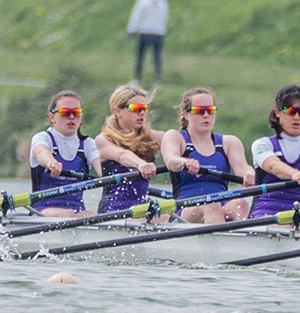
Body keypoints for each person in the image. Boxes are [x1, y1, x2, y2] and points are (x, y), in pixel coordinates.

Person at [161, 88, 255, 224]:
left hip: (222, 206)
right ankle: (220, 242)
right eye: (199, 111)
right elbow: (171, 160)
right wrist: (184, 162)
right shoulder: (176, 137)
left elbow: (243, 168)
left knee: (240, 203)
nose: (206, 115)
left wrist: (250, 175)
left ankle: (248, 241)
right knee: (211, 204)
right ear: (186, 114)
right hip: (184, 211)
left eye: (210, 110)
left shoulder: (229, 142)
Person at [249, 85, 300, 226]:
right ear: (277, 112)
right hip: (264, 215)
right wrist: (295, 175)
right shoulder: (262, 144)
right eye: (291, 111)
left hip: (298, 217)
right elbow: (273, 165)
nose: (297, 117)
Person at [29, 90, 103, 217]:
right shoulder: (43, 138)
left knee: (102, 215)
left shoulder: (88, 144)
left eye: (76, 113)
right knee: (68, 214)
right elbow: (41, 152)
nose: (71, 117)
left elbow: (103, 169)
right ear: (52, 117)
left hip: (77, 213)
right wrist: (51, 162)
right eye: (65, 113)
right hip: (41, 211)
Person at [95, 85, 165, 216]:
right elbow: (122, 155)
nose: (142, 113)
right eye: (135, 109)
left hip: (143, 210)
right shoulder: (104, 139)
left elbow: (179, 141)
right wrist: (141, 164)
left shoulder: (153, 137)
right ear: (117, 111)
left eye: (144, 109)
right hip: (113, 211)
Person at [126, 0, 169, 87]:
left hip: (145, 32)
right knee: (157, 57)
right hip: (158, 33)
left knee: (140, 56)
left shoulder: (143, 0)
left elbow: (137, 15)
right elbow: (165, 17)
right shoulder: (163, 1)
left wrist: (132, 29)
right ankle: (157, 80)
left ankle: (136, 79)